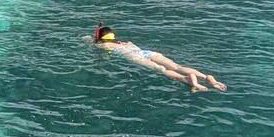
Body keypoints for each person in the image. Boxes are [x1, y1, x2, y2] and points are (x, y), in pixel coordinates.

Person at [88, 24, 226, 91]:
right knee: (176, 66)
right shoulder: (125, 42)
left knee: (162, 70)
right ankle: (206, 77)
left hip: (134, 56)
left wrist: (95, 37)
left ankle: (189, 81)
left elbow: (89, 40)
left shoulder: (104, 45)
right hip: (148, 52)